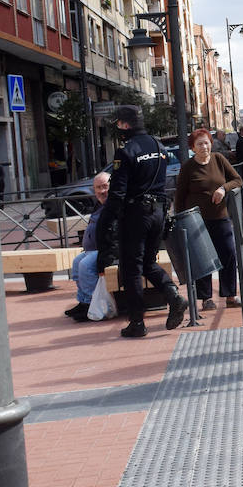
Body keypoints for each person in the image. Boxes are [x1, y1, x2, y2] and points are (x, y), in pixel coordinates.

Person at [95, 105, 187, 338]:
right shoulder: (158, 145)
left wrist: (105, 223)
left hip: (136, 215)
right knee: (148, 262)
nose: (117, 128)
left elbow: (117, 193)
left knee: (131, 269)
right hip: (158, 212)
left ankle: (137, 322)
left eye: (118, 124)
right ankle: (173, 295)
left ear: (125, 124)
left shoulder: (126, 151)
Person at [173, 129, 241, 310]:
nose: (204, 146)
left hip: (220, 217)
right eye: (200, 144)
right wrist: (179, 221)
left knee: (228, 253)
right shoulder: (188, 167)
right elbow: (179, 196)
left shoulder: (219, 159)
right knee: (203, 259)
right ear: (193, 148)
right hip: (197, 221)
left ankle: (230, 295)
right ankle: (206, 299)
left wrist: (223, 189)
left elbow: (237, 180)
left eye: (206, 142)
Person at [63, 172, 112, 322]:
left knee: (85, 265)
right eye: (98, 188)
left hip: (106, 250)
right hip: (93, 250)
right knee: (77, 262)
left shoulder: (114, 204)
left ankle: (93, 304)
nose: (102, 191)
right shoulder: (100, 204)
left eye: (105, 186)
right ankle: (84, 301)